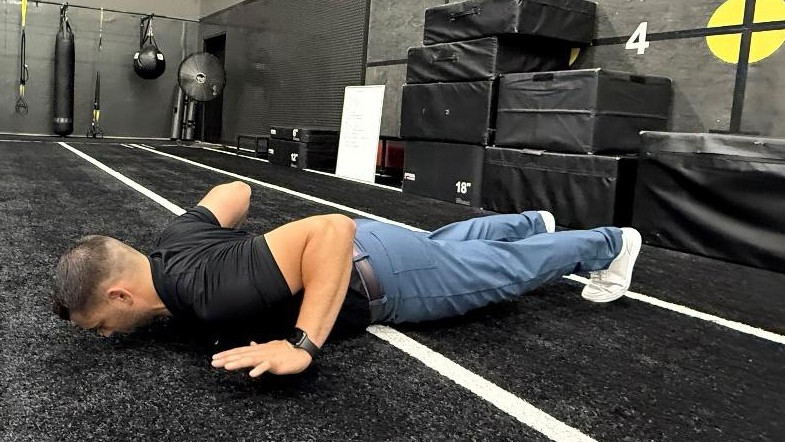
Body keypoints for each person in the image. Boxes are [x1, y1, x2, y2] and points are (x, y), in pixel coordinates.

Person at [52, 181, 642, 378]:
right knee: (446, 246)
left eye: (102, 326)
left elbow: (328, 231)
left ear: (120, 293)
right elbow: (236, 194)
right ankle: (530, 221)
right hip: (380, 246)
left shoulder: (207, 292)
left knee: (506, 274)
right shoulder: (171, 245)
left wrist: (302, 345)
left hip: (383, 277)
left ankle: (611, 244)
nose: (108, 337)